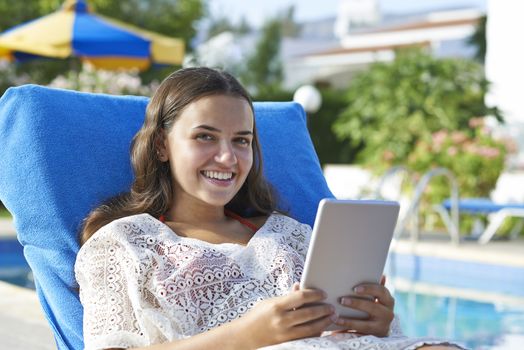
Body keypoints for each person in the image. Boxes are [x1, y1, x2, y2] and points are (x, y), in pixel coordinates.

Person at [75, 67, 465, 350]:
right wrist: (248, 335)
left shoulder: (292, 235)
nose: (227, 157)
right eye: (205, 137)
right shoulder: (123, 244)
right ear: (161, 145)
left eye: (241, 140)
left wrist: (379, 325)